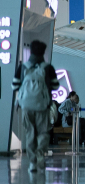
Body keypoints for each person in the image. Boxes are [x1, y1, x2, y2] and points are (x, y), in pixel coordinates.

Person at [12, 40, 59, 172]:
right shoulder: (48, 68)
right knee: (43, 131)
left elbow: (14, 85)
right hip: (43, 105)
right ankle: (40, 155)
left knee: (30, 133)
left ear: (31, 51)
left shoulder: (23, 67)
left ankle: (32, 163)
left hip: (26, 105)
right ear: (43, 52)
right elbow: (55, 86)